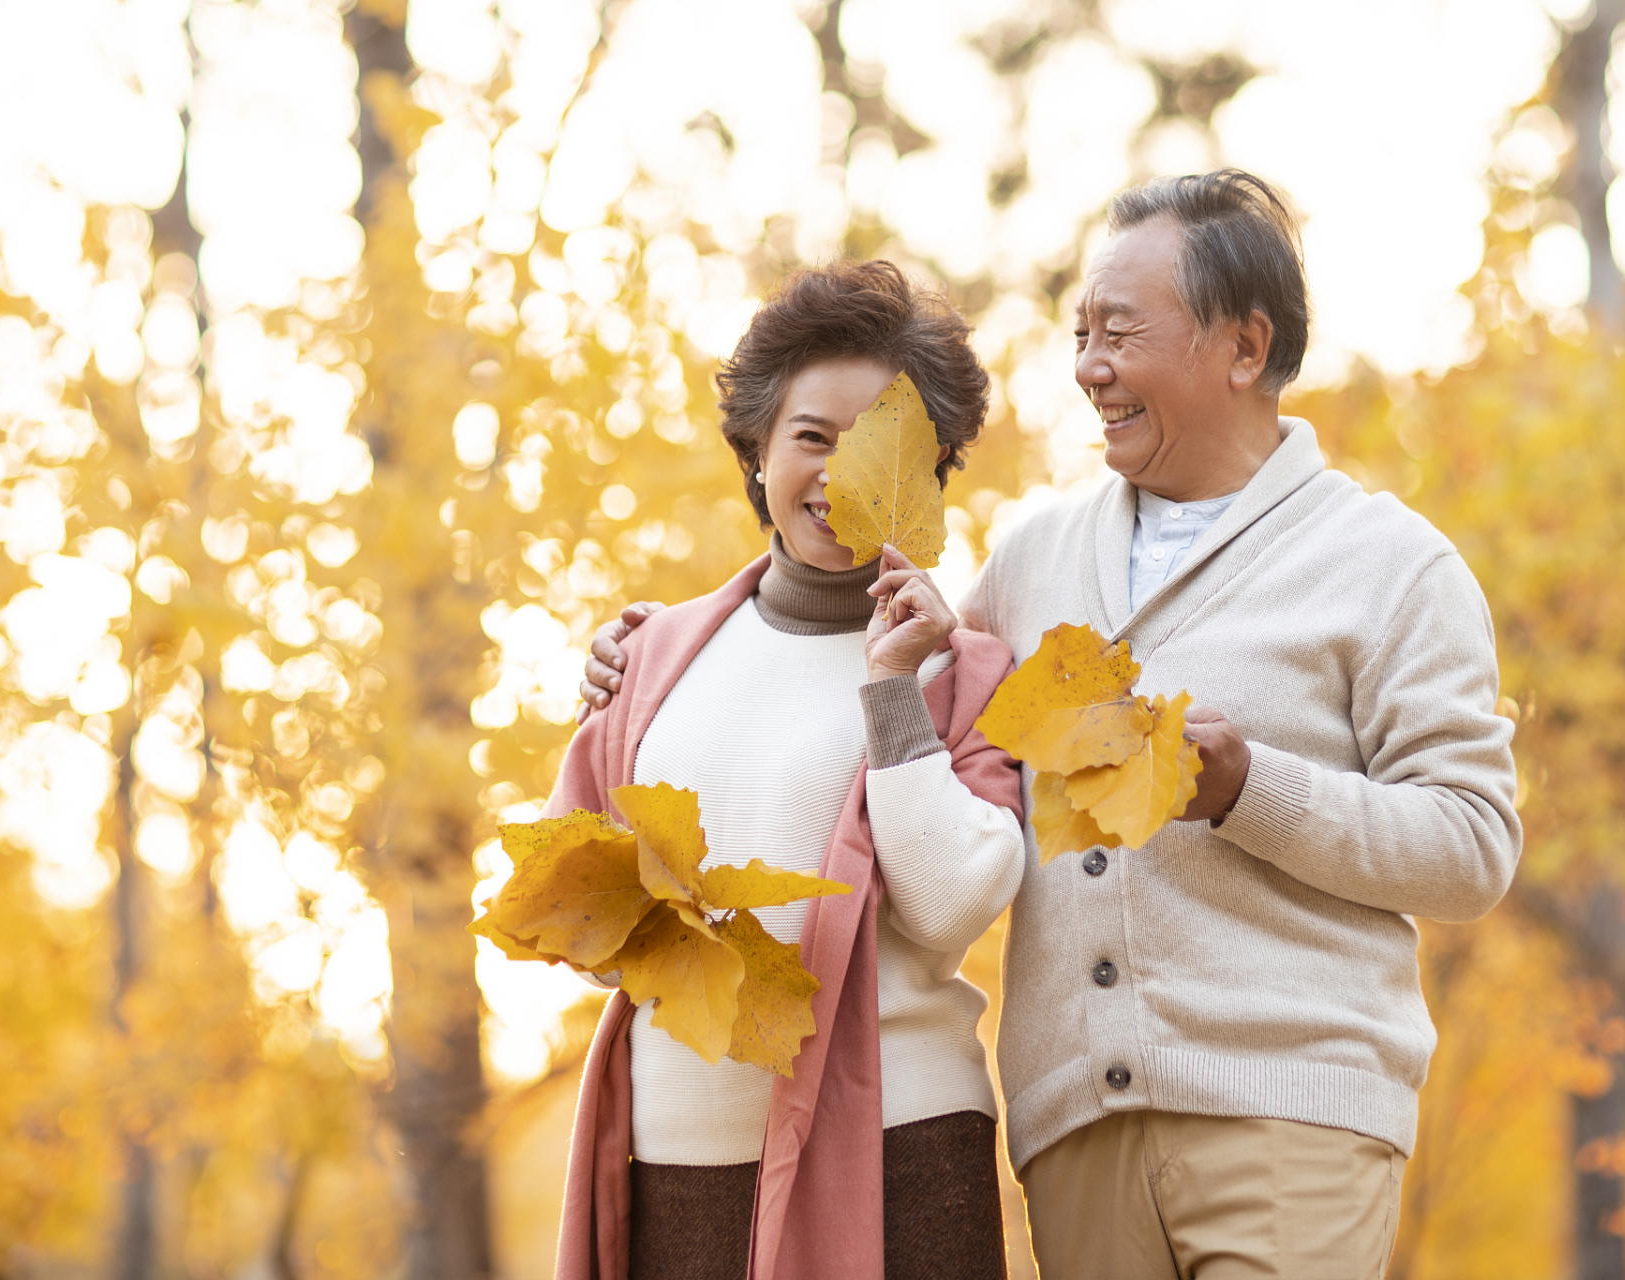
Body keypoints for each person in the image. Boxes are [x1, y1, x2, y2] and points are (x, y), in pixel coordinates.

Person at [580, 171, 1523, 1278]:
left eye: (1117, 331)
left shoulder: (1388, 567)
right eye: (1078, 332)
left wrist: (1246, 788)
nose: (1085, 366)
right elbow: (856, 671)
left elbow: (1469, 846)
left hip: (1290, 1111)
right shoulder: (1031, 563)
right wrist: (657, 649)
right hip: (1074, 1123)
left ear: (1242, 344)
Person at [549, 258, 1026, 1280]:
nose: (836, 473)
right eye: (810, 436)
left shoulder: (965, 671)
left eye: (876, 445)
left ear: (926, 467)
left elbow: (947, 906)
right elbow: (575, 921)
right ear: (757, 450)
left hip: (899, 1153)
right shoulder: (651, 655)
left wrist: (894, 687)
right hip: (674, 1157)